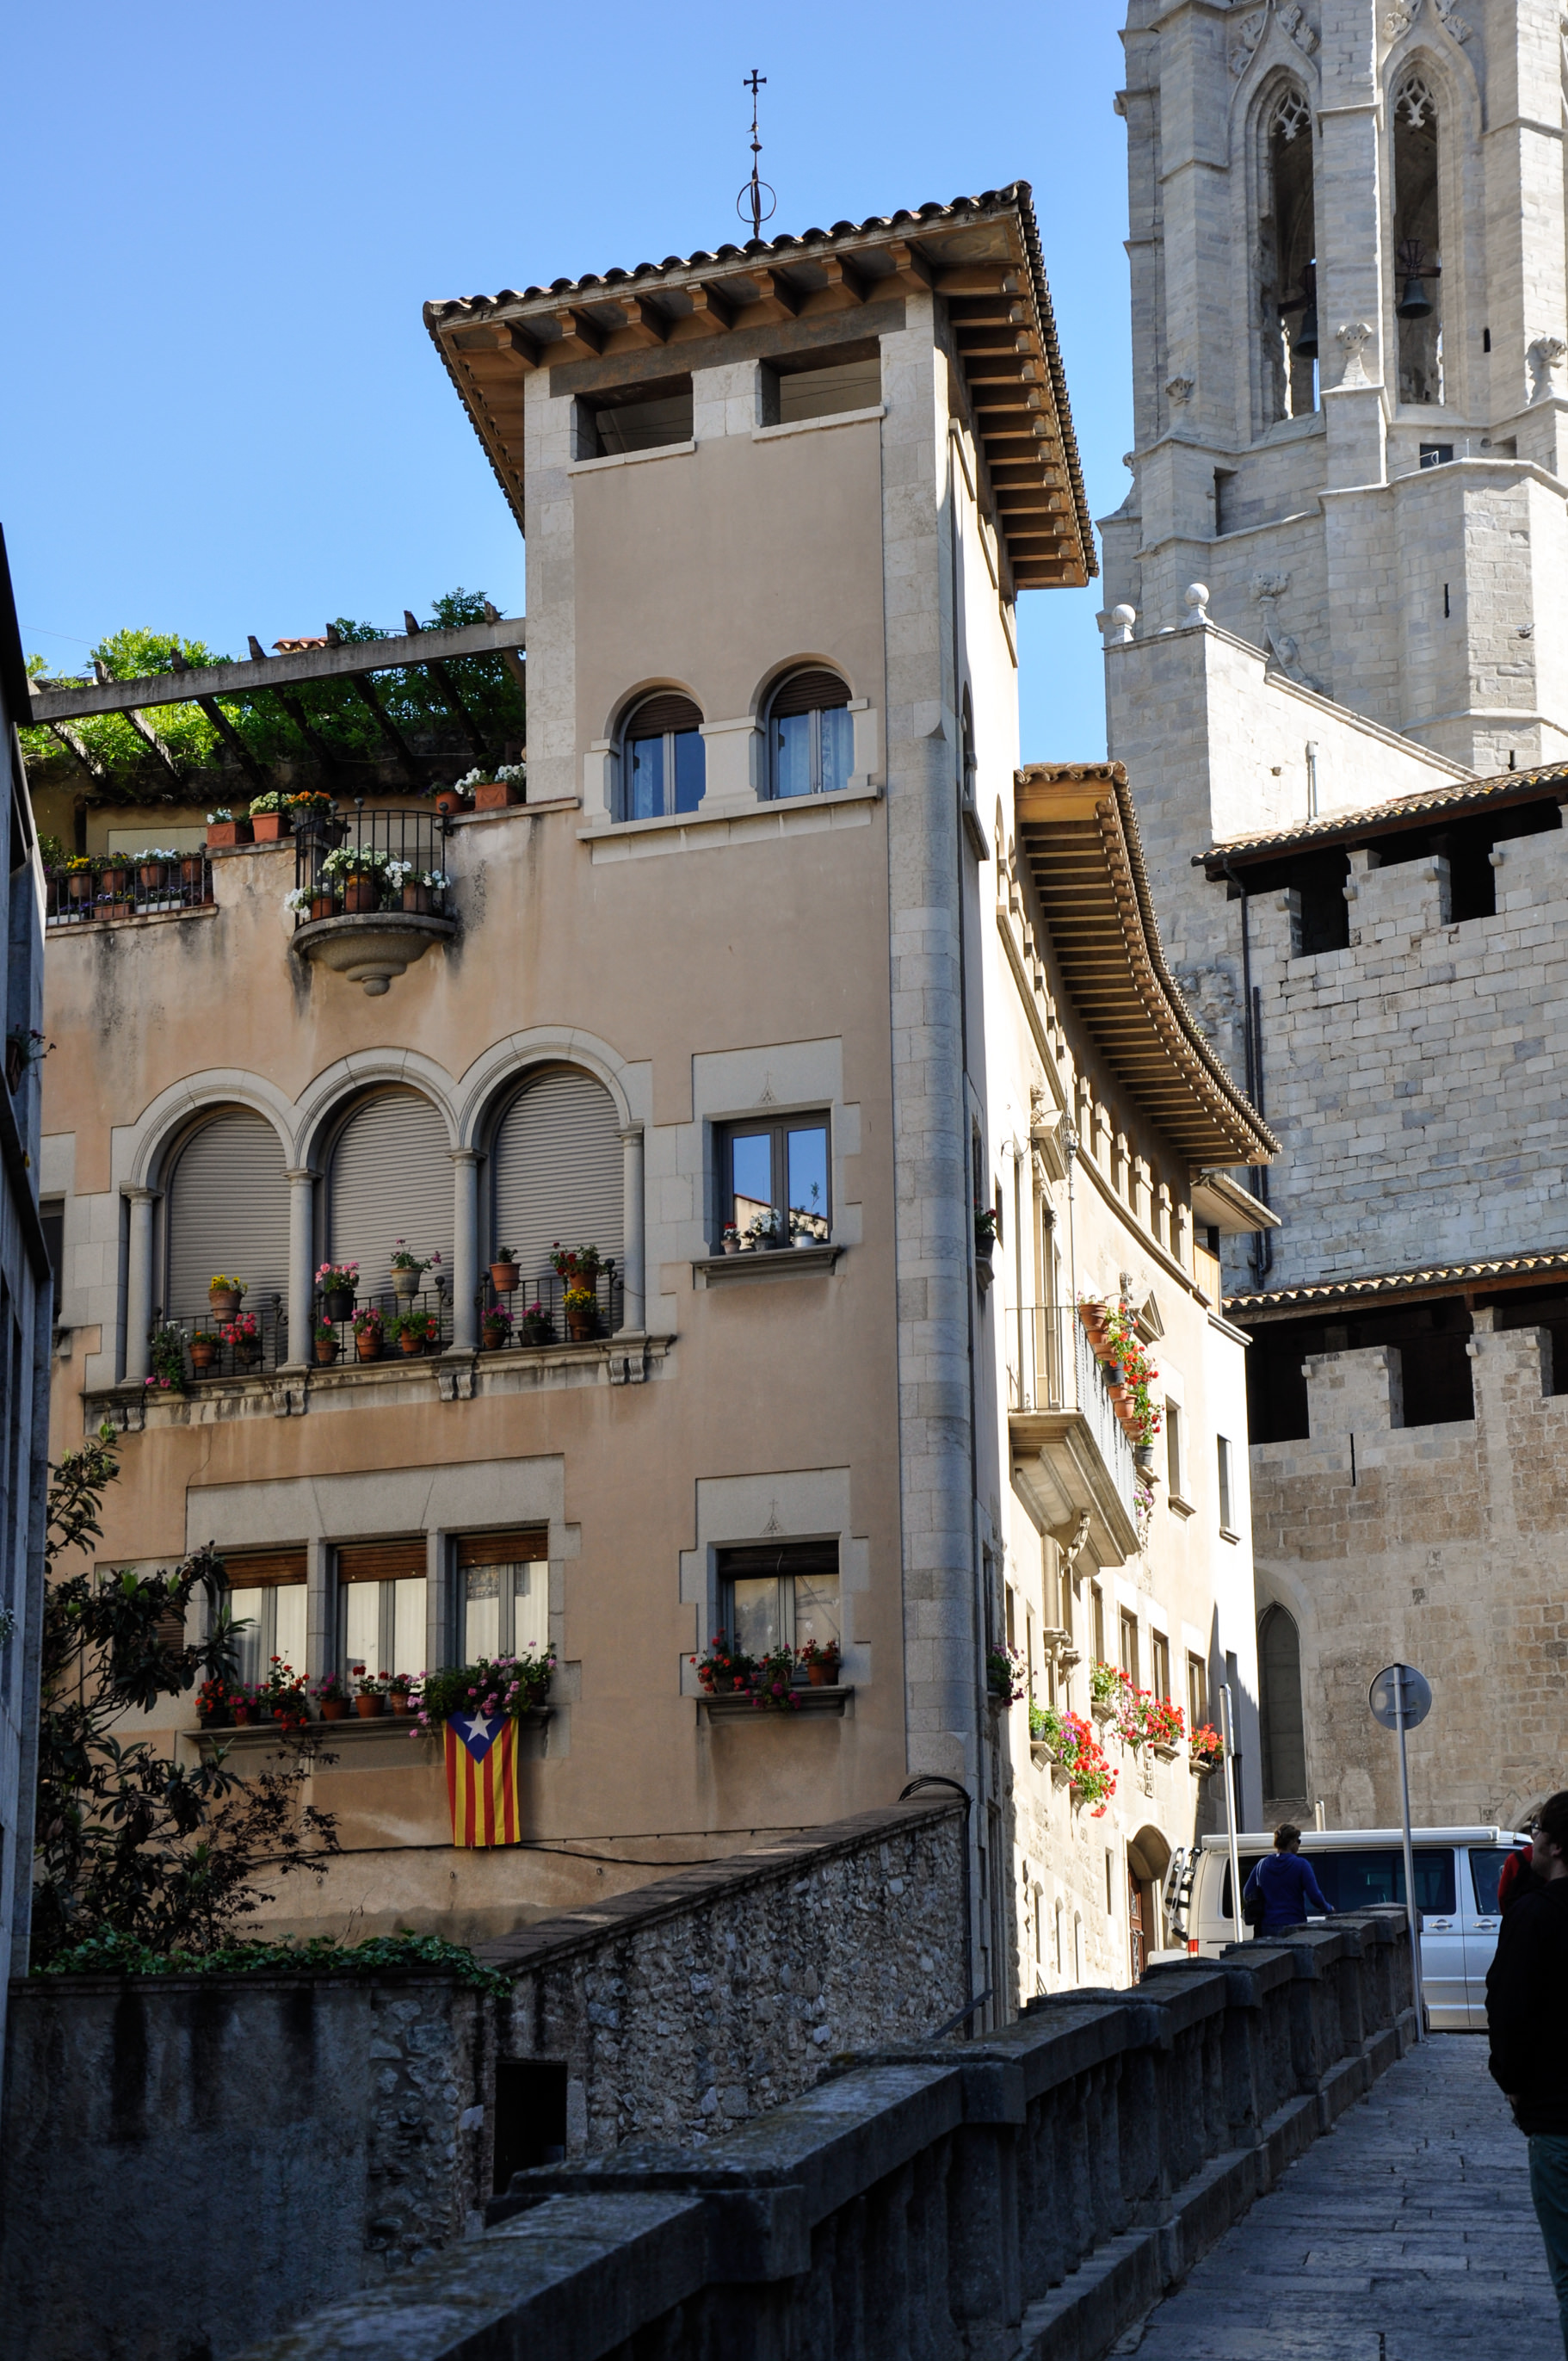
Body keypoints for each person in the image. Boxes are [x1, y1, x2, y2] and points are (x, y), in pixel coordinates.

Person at [1487, 1790, 1568, 2358]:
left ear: (1557, 1845)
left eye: (1537, 1829)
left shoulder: (1534, 1915)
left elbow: (1508, 2010)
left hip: (1558, 2122)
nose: (1531, 1838)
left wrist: (1514, 2086)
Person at [1242, 1823, 1333, 1935]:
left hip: (1267, 1926)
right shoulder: (1301, 1865)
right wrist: (1328, 1909)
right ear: (1291, 1843)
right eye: (1298, 1841)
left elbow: (1247, 1893)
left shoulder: (1262, 1864)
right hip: (1294, 1924)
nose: (1299, 1844)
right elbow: (1314, 1896)